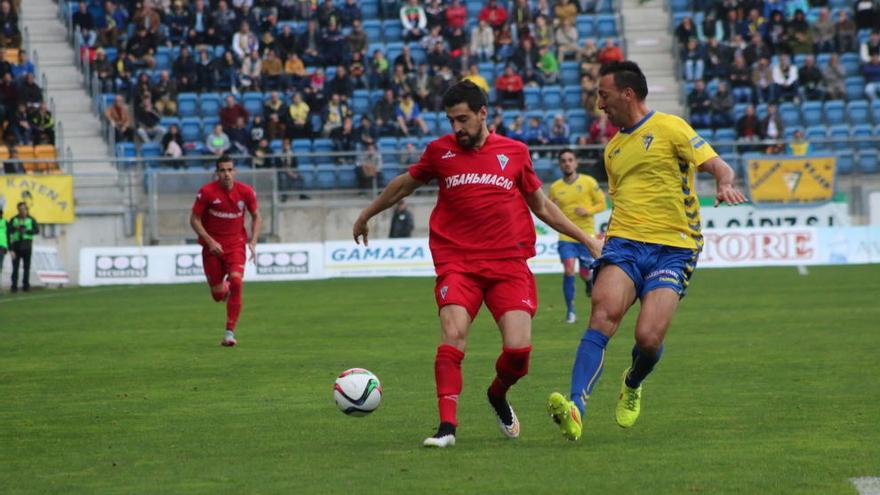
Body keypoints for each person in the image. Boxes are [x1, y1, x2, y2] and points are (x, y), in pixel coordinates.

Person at [352, 80, 602, 448]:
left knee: (518, 353)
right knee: (453, 335)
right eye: (452, 120)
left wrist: (587, 239)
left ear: (483, 113)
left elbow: (542, 206)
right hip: (459, 263)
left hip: (508, 263)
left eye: (463, 119)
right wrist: (367, 213)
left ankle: (497, 394)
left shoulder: (514, 152)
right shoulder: (440, 152)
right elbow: (404, 184)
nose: (457, 128)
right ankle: (446, 428)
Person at [546, 61, 746, 441]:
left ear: (627, 93)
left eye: (603, 95)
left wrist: (723, 184)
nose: (599, 105)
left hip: (675, 247)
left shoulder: (671, 127)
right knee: (602, 316)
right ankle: (576, 407)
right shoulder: (613, 150)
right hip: (624, 244)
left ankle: (633, 382)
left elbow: (719, 166)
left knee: (648, 339)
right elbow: (621, 201)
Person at [190, 155, 262, 347]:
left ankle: (229, 332)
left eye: (230, 170)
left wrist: (253, 242)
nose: (227, 174)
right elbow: (194, 219)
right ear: (217, 173)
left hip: (236, 244)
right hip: (212, 247)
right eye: (222, 170)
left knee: (237, 280)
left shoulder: (246, 192)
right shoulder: (206, 192)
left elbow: (256, 216)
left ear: (235, 172)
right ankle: (226, 288)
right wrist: (209, 241)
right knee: (217, 294)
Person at [549, 149, 607, 324]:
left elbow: (602, 203)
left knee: (585, 272)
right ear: (560, 165)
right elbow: (548, 208)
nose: (567, 163)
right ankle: (571, 311)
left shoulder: (588, 182)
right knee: (568, 270)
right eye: (563, 160)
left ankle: (589, 282)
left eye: (570, 160)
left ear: (576, 163)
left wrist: (587, 211)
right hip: (566, 237)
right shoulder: (555, 187)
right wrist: (553, 207)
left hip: (586, 236)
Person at [9, 201, 39, 293]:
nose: (22, 211)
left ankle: (26, 285)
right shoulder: (14, 219)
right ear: (18, 210)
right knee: (15, 268)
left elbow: (36, 231)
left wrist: (26, 230)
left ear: (27, 209)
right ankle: (14, 286)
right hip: (16, 246)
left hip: (27, 245)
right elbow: (9, 230)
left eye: (24, 209)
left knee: (26, 267)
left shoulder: (31, 219)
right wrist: (16, 228)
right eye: (20, 209)